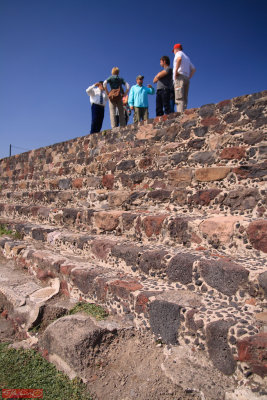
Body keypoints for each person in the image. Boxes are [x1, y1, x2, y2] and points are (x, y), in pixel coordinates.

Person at [172, 43, 196, 113]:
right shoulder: (187, 57)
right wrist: (189, 77)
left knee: (179, 98)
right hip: (186, 78)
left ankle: (180, 116)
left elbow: (179, 59)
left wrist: (176, 71)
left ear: (175, 49)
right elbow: (193, 69)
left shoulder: (178, 53)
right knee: (184, 98)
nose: (173, 52)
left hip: (180, 77)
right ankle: (184, 114)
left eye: (173, 51)